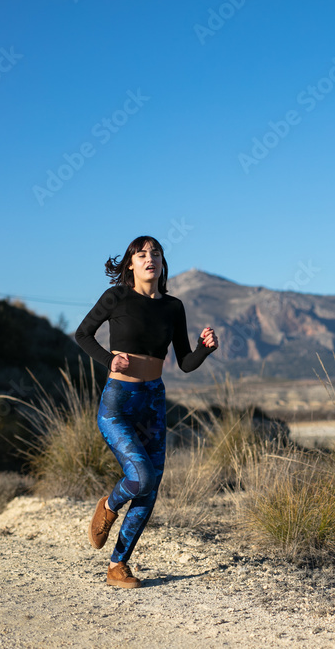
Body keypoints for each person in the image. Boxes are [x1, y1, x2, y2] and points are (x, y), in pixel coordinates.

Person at [74, 235, 218, 588]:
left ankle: (117, 566)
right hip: (118, 402)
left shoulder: (173, 307)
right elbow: (83, 334)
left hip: (153, 401)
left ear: (162, 264)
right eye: (141, 254)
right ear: (131, 265)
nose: (149, 258)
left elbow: (184, 362)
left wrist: (204, 349)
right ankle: (108, 505)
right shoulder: (117, 297)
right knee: (141, 475)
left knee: (150, 489)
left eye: (156, 253)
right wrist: (109, 359)